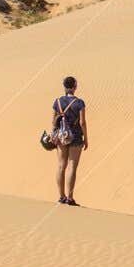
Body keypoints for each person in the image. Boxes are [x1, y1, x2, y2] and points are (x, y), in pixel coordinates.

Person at [50, 75, 87, 206]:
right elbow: (82, 122)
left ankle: (61, 196)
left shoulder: (57, 102)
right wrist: (86, 138)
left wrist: (53, 135)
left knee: (61, 166)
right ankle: (70, 198)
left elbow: (53, 122)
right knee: (72, 167)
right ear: (75, 87)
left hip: (61, 137)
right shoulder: (79, 103)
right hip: (76, 137)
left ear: (65, 87)